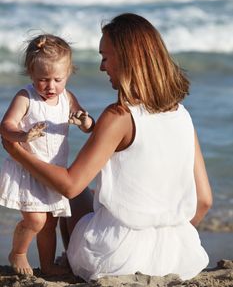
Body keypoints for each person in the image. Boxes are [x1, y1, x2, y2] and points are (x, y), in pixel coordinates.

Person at [2, 14, 212, 282]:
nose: (102, 67)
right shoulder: (182, 114)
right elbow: (203, 201)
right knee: (96, 191)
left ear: (126, 59)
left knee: (73, 194)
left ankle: (71, 257)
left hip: (113, 255)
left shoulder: (120, 115)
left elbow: (69, 186)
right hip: (178, 255)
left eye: (105, 56)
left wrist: (17, 152)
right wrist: (160, 238)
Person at [0, 34, 94, 276]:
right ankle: (18, 252)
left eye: (57, 79)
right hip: (29, 171)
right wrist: (22, 136)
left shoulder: (67, 98)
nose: (50, 86)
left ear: (68, 74)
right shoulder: (26, 97)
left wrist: (84, 121)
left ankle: (48, 265)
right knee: (36, 221)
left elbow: (87, 123)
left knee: (49, 224)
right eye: (43, 79)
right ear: (30, 74)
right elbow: (6, 125)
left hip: (54, 172)